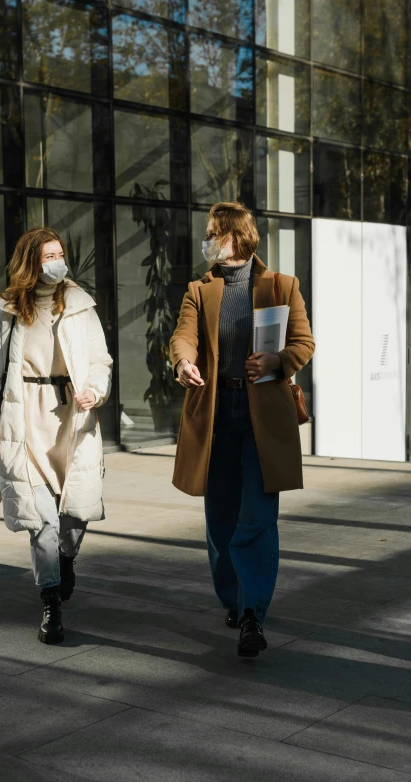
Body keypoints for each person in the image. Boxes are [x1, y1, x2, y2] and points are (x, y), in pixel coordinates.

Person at [170, 202, 314, 657]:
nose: (208, 238)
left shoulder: (281, 286)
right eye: (208, 231)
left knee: (257, 516)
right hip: (215, 414)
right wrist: (184, 361)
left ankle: (253, 613)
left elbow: (303, 342)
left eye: (215, 232)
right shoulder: (199, 289)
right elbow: (183, 335)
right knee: (221, 518)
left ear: (238, 237)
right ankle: (232, 600)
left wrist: (278, 361)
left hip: (264, 419)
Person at [0, 227, 113, 645]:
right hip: (25, 418)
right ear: (31, 262)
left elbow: (100, 361)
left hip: (72, 416)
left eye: (60, 253)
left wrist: (94, 390)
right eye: (48, 255)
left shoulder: (82, 306)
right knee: (42, 522)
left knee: (75, 517)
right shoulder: (9, 313)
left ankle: (66, 561)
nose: (57, 261)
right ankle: (51, 603)